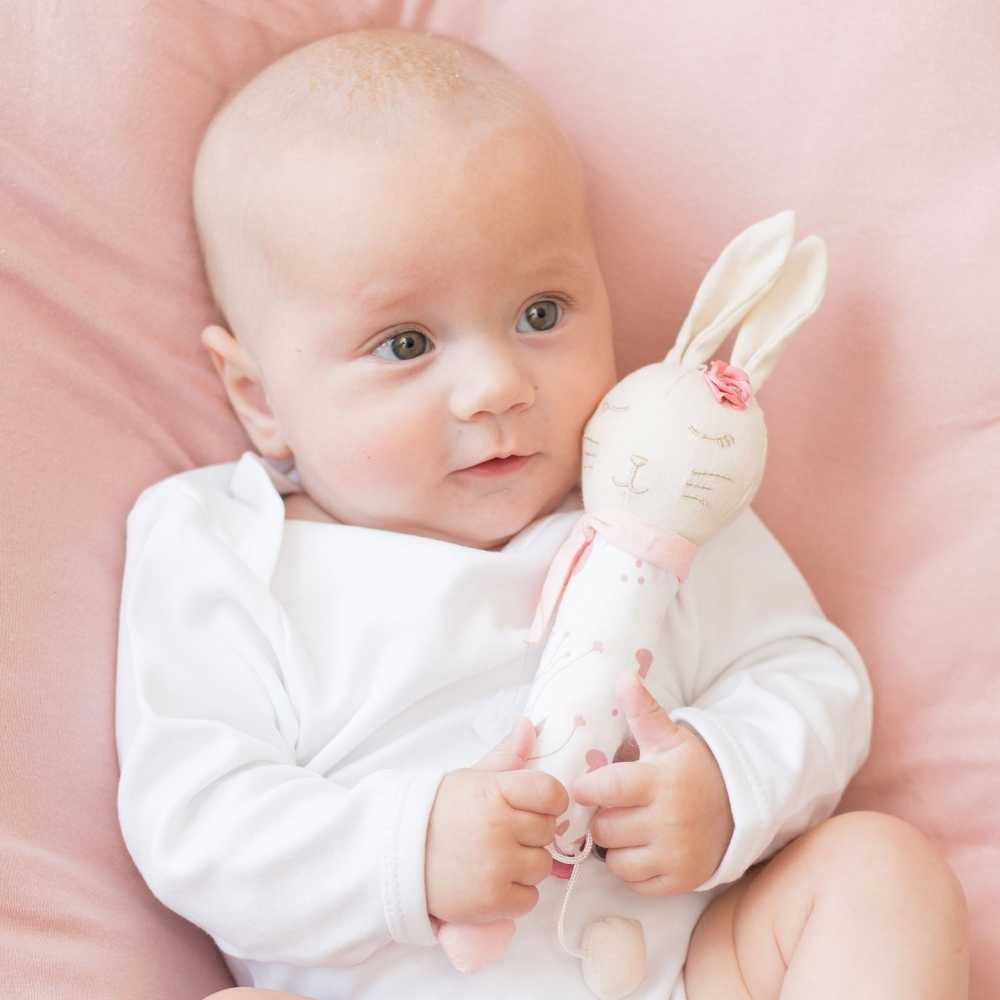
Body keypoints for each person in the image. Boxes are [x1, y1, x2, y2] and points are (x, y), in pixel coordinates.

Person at [114, 27, 969, 1000]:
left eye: (540, 314)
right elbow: (194, 821)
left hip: (681, 975)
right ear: (258, 394)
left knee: (878, 873)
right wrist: (410, 848)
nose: (496, 385)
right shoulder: (223, 547)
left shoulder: (651, 496)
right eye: (405, 343)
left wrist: (725, 781)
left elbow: (808, 675)